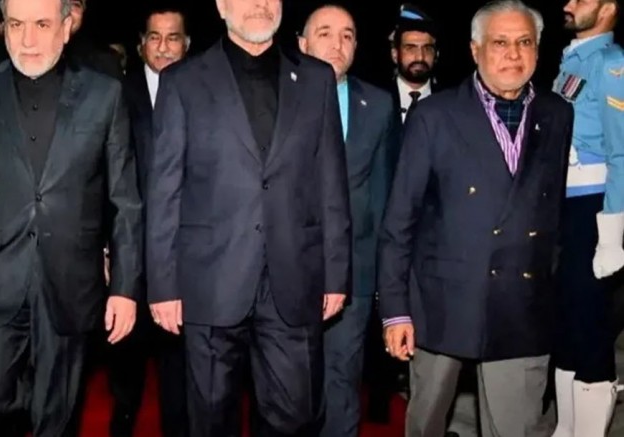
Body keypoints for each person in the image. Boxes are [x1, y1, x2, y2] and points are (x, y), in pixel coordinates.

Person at [0, 0, 141, 435]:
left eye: (42, 24)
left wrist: (124, 288)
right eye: (16, 24)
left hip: (71, 286)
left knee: (57, 419)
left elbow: (125, 202)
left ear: (67, 26)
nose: (27, 39)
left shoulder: (105, 94)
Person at [145, 0, 351, 434]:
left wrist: (336, 274)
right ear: (221, 5)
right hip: (209, 282)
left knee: (294, 417)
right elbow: (164, 190)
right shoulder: (182, 81)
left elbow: (330, 183)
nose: (260, 4)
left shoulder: (315, 80)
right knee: (210, 419)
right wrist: (163, 285)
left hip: (293, 280)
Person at [379, 1, 573, 436]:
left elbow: (555, 218)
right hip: (441, 305)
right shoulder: (435, 116)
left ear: (538, 50)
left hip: (521, 307)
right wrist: (395, 312)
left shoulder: (558, 114)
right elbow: (399, 222)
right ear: (475, 50)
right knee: (426, 425)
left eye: (525, 42)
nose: (513, 54)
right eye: (500, 42)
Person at [298, 5, 399, 437]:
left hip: (353, 273)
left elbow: (383, 196)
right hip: (286, 270)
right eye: (324, 33)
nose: (337, 43)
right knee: (289, 386)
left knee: (341, 380)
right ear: (302, 43)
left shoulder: (377, 105)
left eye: (347, 35)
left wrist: (380, 281)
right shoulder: (275, 97)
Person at [108, 6, 190, 437]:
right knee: (128, 355)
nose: (163, 47)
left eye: (173, 38)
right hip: (132, 248)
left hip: (186, 252)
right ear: (141, 44)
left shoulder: (203, 92)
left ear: (186, 45)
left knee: (180, 362)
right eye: (154, 37)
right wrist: (107, 245)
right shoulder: (117, 94)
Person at [551, 0, 624, 435]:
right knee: (565, 326)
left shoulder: (611, 63)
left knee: (591, 327)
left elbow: (622, 152)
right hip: (565, 207)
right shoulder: (573, 61)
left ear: (608, 7)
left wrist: (611, 234)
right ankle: (566, 427)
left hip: (593, 208)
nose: (568, 4)